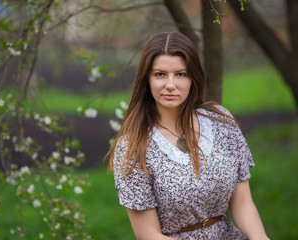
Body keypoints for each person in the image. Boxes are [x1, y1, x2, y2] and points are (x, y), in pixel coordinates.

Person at [107, 31, 269, 240]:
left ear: (193, 77)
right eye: (160, 74)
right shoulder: (133, 147)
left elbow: (243, 203)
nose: (171, 85)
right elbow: (148, 235)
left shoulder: (222, 122)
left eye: (181, 74)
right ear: (146, 79)